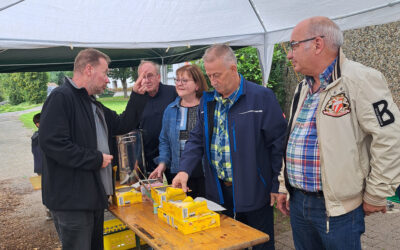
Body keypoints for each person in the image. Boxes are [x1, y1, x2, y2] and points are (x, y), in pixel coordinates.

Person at [276, 16, 400, 250]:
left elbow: (391, 138)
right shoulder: (302, 87)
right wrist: (285, 186)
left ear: (317, 44)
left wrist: (376, 193)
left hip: (338, 209)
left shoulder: (360, 79)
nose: (289, 54)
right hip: (299, 202)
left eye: (293, 45)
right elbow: (293, 139)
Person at [172, 44, 287, 249]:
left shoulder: (261, 97)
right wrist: (183, 170)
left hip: (255, 192)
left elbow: (278, 144)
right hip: (220, 193)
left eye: (217, 75)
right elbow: (196, 139)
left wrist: (276, 185)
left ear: (233, 69)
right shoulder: (208, 103)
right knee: (230, 244)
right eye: (209, 76)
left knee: (262, 244)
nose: (213, 81)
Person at [39, 48, 148, 250]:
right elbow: (53, 143)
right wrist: (96, 159)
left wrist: (137, 96)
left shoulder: (91, 102)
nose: (107, 80)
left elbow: (122, 124)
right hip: (71, 202)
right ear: (89, 69)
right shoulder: (61, 98)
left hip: (92, 197)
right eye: (105, 73)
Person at [149, 65, 208, 198]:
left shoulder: (208, 108)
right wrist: (163, 163)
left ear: (197, 85)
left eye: (184, 80)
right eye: (177, 80)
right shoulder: (170, 109)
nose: (179, 84)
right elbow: (164, 140)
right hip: (178, 172)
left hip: (206, 174)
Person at [133, 61, 177, 175]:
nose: (147, 80)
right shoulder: (138, 98)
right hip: (149, 160)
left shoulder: (173, 92)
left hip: (174, 157)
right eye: (143, 77)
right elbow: (133, 127)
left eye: (150, 76)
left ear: (158, 77)